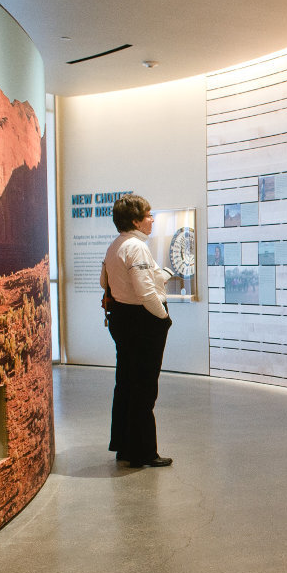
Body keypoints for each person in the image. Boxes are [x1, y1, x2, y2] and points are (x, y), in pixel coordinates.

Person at [100, 195, 173, 468]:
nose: (152, 219)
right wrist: (163, 318)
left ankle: (125, 446)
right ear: (135, 220)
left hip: (122, 319)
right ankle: (144, 452)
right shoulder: (136, 247)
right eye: (148, 215)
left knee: (126, 383)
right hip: (143, 322)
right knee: (144, 387)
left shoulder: (115, 246)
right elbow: (145, 293)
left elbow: (103, 280)